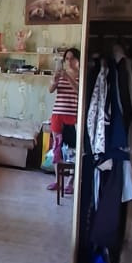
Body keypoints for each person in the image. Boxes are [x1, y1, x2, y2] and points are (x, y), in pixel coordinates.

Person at [47, 48, 80, 193]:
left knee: (73, 150)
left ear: (78, 60)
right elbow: (50, 90)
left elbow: (79, 91)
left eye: (72, 58)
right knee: (57, 148)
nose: (69, 61)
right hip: (57, 115)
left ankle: (70, 182)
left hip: (72, 116)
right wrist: (55, 80)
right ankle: (57, 180)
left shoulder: (81, 75)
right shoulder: (60, 74)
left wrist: (68, 77)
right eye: (67, 59)